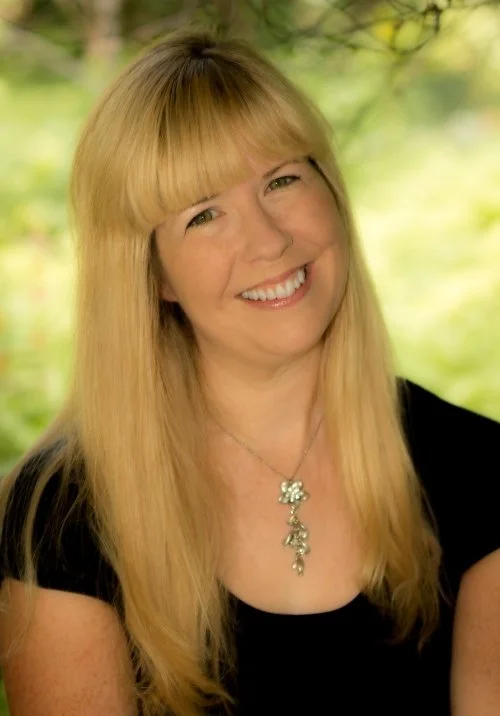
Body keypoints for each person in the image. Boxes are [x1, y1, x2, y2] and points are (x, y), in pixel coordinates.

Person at [0, 22, 499, 716]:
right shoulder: (63, 513)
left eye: (282, 179)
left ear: (332, 192)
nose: (268, 240)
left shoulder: (480, 469)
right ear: (153, 276)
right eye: (204, 215)